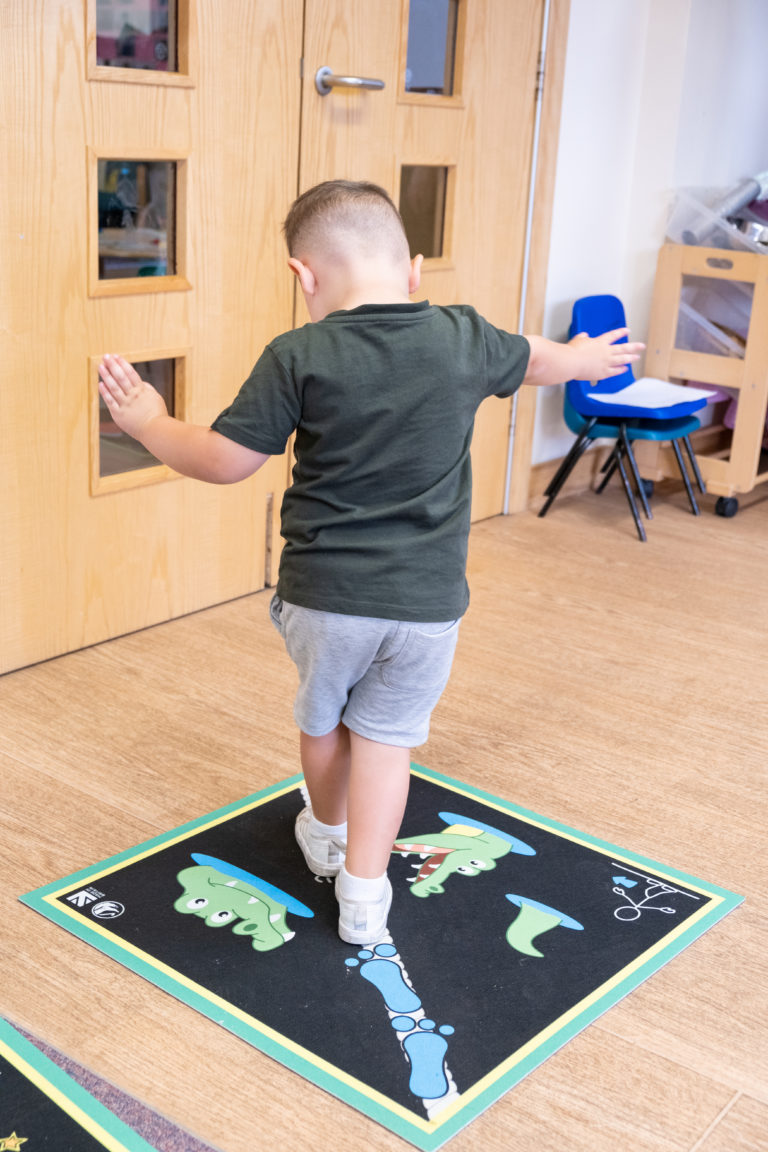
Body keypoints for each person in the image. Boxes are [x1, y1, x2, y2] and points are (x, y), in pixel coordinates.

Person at [98, 179, 643, 946]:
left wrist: (149, 421)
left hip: (326, 597)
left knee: (325, 722)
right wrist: (585, 358)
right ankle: (364, 894)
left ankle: (323, 831)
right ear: (414, 269)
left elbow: (225, 461)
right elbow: (537, 361)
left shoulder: (299, 352)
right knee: (389, 741)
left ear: (304, 276)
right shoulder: (465, 335)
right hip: (426, 605)